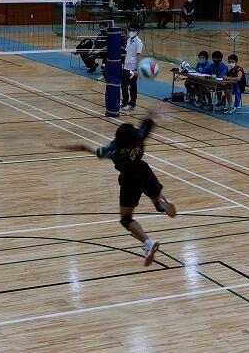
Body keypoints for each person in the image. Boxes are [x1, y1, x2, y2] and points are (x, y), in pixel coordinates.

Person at [47, 109, 177, 267]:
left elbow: (83, 146)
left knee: (126, 219)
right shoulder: (138, 137)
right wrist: (154, 113)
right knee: (156, 200)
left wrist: (58, 146)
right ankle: (162, 202)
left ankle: (147, 242)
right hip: (144, 170)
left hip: (129, 180)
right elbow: (146, 118)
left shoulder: (113, 149)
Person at [121, 23, 143, 112]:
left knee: (132, 86)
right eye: (130, 30)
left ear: (137, 32)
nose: (131, 32)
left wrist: (136, 69)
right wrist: (124, 64)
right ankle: (125, 102)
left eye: (133, 30)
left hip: (133, 68)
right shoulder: (129, 40)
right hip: (126, 66)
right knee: (123, 85)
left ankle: (132, 104)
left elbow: (138, 55)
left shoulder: (139, 42)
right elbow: (127, 52)